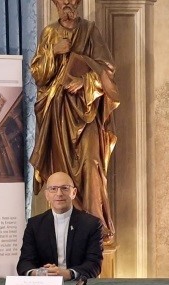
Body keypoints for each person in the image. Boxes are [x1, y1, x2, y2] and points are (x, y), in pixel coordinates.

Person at [29, 0, 120, 240]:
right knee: (61, 169)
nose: (68, 4)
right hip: (58, 111)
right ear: (56, 4)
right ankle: (65, 225)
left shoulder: (89, 30)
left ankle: (94, 224)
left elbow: (107, 68)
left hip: (86, 109)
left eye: (72, 0)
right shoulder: (49, 33)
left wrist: (86, 81)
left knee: (91, 163)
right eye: (63, 0)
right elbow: (38, 75)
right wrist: (52, 51)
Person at [17, 171, 103, 280]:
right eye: (53, 189)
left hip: (78, 284)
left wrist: (68, 274)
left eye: (64, 188)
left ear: (73, 193)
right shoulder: (34, 225)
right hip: (44, 284)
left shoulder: (91, 224)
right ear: (47, 195)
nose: (59, 193)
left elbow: (94, 265)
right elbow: (24, 263)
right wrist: (40, 273)